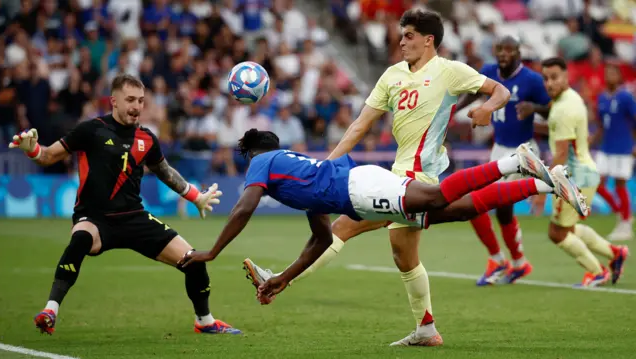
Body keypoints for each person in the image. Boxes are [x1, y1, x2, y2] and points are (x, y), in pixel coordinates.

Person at [232, 9, 513, 347]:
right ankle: (426, 328)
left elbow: (500, 91)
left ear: (429, 40)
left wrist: (486, 108)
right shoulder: (392, 76)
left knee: (344, 227)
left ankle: (280, 279)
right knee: (405, 256)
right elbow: (360, 125)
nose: (402, 41)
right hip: (400, 170)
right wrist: (327, 164)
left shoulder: (450, 71)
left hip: (419, 173)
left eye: (409, 35)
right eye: (402, 34)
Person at [178, 128, 588, 344]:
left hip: (361, 190)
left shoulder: (263, 160)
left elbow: (244, 206)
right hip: (359, 190)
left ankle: (514, 161)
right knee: (452, 210)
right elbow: (321, 240)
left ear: (254, 153)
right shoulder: (297, 173)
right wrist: (283, 279)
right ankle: (544, 184)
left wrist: (213, 250)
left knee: (437, 195)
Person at [9, 74, 241, 335]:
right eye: (130, 100)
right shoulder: (91, 130)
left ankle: (205, 322)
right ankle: (50, 310)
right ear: (114, 101)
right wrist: (33, 150)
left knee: (194, 260)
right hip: (95, 218)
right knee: (80, 240)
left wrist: (195, 197)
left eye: (141, 101)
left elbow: (165, 172)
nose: (136, 106)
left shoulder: (147, 138)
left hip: (134, 218)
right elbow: (49, 156)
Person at [454, 36, 552, 286]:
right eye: (500, 49)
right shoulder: (488, 71)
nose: (503, 54)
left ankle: (501, 261)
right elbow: (475, 92)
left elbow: (550, 107)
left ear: (518, 52)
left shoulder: (531, 79)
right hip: (498, 148)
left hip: (522, 151)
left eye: (509, 50)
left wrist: (534, 108)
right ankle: (516, 263)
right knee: (495, 208)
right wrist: (453, 110)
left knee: (480, 202)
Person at [523, 58, 629, 287]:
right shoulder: (569, 99)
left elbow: (560, 155)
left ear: (566, 77)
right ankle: (615, 253)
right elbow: (555, 128)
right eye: (546, 78)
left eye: (554, 77)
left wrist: (541, 191)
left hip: (574, 176)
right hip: (584, 172)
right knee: (567, 229)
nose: (549, 83)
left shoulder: (563, 109)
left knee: (557, 233)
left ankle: (598, 271)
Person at [593, 64, 636, 241]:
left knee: (620, 184)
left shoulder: (626, 97)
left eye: (613, 73)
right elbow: (602, 124)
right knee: (597, 183)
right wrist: (593, 139)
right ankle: (620, 212)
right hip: (606, 147)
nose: (609, 76)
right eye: (607, 73)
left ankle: (625, 224)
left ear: (619, 77)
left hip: (623, 147)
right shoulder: (602, 98)